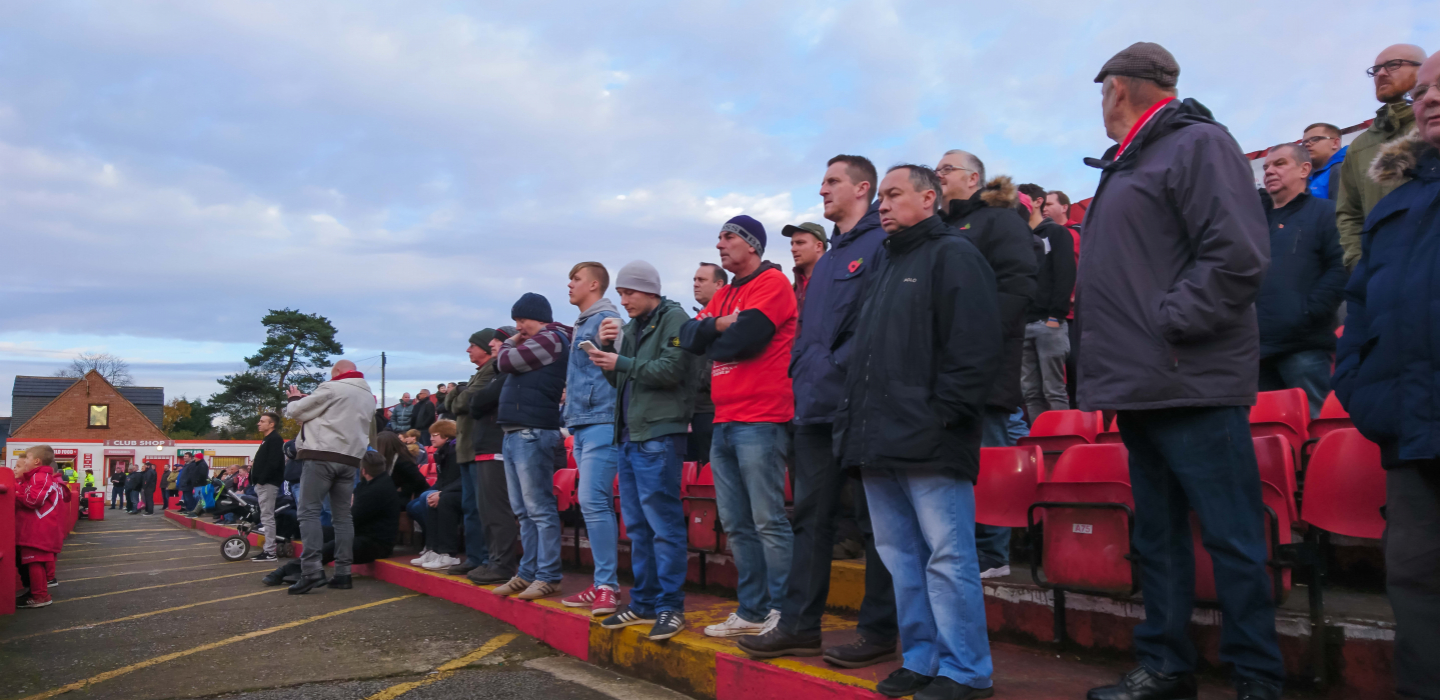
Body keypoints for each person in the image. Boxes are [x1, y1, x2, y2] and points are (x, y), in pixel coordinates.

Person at [1078, 43, 1283, 700]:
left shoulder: (1197, 144)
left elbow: (1237, 257)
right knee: (1159, 538)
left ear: (1118, 89)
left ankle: (1257, 677)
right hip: (1143, 383)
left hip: (1188, 377)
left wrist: (1168, 324)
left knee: (1231, 536)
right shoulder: (1130, 162)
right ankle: (1167, 666)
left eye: (1102, 90)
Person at [832, 164, 1001, 700]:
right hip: (879, 438)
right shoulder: (885, 262)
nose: (882, 204)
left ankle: (966, 671)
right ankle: (923, 659)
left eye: (894, 194)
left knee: (947, 557)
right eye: (880, 195)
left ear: (929, 198)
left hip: (929, 438)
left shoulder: (954, 255)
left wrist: (943, 418)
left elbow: (974, 348)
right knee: (901, 558)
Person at [739, 154, 898, 667]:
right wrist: (806, 367)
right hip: (813, 407)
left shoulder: (882, 242)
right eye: (823, 180)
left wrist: (832, 363)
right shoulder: (828, 258)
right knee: (811, 520)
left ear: (863, 188)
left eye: (833, 181)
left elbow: (879, 324)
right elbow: (810, 331)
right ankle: (800, 627)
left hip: (862, 404)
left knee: (878, 525)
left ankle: (877, 632)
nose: (823, 189)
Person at [1333, 51, 1440, 699]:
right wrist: (1360, 387)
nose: (1430, 98)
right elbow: (1365, 307)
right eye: (1425, 90)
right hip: (1410, 431)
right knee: (1417, 584)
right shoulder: (1393, 209)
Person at [680, 214, 798, 638]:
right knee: (736, 522)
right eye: (719, 237)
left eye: (728, 237)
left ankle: (783, 612)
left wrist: (713, 334)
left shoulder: (772, 284)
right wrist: (716, 326)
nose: (719, 245)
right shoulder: (727, 294)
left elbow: (742, 342)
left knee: (767, 519)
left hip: (762, 417)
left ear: (752, 244)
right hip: (725, 417)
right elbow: (687, 336)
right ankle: (752, 610)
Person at [935, 149, 1038, 579]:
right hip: (942, 366)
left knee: (989, 449)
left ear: (973, 178)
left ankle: (993, 553)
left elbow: (1018, 283)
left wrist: (976, 335)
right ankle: (961, 549)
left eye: (946, 170)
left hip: (987, 361)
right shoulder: (941, 228)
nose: (938, 177)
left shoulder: (999, 220)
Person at [582, 260, 697, 640]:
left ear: (649, 290)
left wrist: (622, 359)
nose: (623, 300)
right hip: (632, 436)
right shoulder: (632, 327)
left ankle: (670, 607)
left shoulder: (676, 318)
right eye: (620, 293)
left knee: (662, 526)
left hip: (659, 435)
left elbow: (671, 370)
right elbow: (619, 379)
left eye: (628, 292)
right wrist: (605, 350)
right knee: (638, 527)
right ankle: (645, 602)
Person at [1257, 143, 1346, 419]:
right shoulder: (1251, 222)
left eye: (1280, 163)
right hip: (1255, 350)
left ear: (1305, 169)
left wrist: (1310, 311)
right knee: (1268, 435)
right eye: (1266, 167)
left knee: (1319, 426)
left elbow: (1341, 266)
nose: (1270, 171)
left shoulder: (1326, 213)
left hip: (1304, 345)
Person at [490, 293, 570, 601]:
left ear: (538, 318)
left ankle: (548, 575)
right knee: (524, 510)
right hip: (516, 431)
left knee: (538, 508)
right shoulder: (538, 341)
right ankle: (527, 573)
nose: (518, 327)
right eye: (515, 322)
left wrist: (511, 342)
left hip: (533, 431)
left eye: (522, 320)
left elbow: (505, 361)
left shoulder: (552, 338)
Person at [560, 262, 625, 614]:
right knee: (591, 503)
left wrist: (616, 336)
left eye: (576, 279)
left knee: (594, 502)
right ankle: (603, 583)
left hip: (601, 420)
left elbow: (620, 345)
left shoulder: (605, 320)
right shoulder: (582, 323)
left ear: (595, 284)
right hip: (583, 422)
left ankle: (607, 587)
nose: (569, 284)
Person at [284, 360, 375, 594]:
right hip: (350, 460)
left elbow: (295, 412)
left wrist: (296, 398)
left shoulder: (332, 387)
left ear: (336, 372)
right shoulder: (367, 395)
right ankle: (343, 573)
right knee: (343, 517)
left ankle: (312, 570)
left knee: (309, 512)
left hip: (321, 455)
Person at [1337, 44, 1428, 269]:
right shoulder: (1359, 147)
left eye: (1393, 65)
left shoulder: (1432, 129)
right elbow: (1349, 214)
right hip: (1379, 280)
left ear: (1423, 70)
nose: (1381, 74)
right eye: (1376, 69)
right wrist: (1359, 265)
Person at [263, 450, 400, 587]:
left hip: (376, 543)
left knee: (334, 546)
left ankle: (290, 571)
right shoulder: (374, 484)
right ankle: (302, 570)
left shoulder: (376, 489)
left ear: (363, 471)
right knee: (320, 533)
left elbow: (353, 519)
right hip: (363, 534)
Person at [465, 327, 523, 586]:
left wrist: (477, 399)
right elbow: (473, 403)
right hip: (486, 448)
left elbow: (476, 403)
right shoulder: (498, 375)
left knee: (497, 510)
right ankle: (493, 562)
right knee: (487, 510)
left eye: (497, 342)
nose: (492, 346)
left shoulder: (509, 374)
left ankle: (502, 564)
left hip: (497, 448)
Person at [442, 330, 502, 577]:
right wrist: (459, 393)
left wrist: (458, 392)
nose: (468, 350)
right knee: (470, 507)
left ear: (485, 348)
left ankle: (487, 559)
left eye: (472, 346)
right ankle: (475, 557)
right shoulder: (478, 373)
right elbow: (450, 405)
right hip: (467, 450)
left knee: (482, 507)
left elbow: (462, 403)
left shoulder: (492, 369)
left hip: (480, 449)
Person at [1017, 183, 1077, 424]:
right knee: (1030, 392)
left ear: (1036, 202)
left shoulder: (1057, 232)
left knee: (1053, 389)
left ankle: (1062, 443)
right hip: (1024, 324)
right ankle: (1042, 445)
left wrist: (1055, 316)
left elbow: (1065, 273)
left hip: (1048, 322)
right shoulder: (1018, 237)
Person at [13, 445, 72, 609]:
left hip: (38, 529)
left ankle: (40, 596)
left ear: (37, 461)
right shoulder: (40, 478)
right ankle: (36, 593)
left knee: (35, 562)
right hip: (39, 528)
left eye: (28, 459)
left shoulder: (41, 477)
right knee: (35, 562)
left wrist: (17, 495)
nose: (25, 463)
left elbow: (34, 501)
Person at [687, 263, 727, 463]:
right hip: (692, 410)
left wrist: (700, 382)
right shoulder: (695, 321)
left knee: (711, 477)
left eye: (701, 280)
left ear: (719, 284)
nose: (695, 284)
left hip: (713, 411)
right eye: (694, 279)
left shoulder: (729, 320)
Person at [416, 420, 465, 570]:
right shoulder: (442, 452)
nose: (431, 439)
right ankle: (433, 549)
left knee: (444, 501)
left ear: (447, 436)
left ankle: (447, 553)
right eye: (431, 435)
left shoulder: (456, 451)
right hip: (452, 490)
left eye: (435, 435)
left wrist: (442, 493)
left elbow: (463, 479)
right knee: (431, 499)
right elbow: (444, 481)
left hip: (465, 492)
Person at [250, 411, 286, 562]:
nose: (259, 423)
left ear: (272, 424)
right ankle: (268, 550)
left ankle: (270, 551)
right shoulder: (267, 439)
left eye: (262, 421)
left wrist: (261, 480)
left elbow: (273, 463)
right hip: (263, 484)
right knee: (265, 516)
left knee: (267, 517)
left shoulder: (275, 440)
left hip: (268, 484)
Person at [783, 222, 827, 313]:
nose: (793, 249)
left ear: (818, 246)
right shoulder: (793, 289)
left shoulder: (834, 282)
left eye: (800, 243)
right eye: (792, 244)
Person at [1302, 123, 1347, 201]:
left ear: (1335, 143)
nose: (1307, 144)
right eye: (1304, 142)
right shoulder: (1309, 175)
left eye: (1315, 139)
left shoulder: (1343, 169)